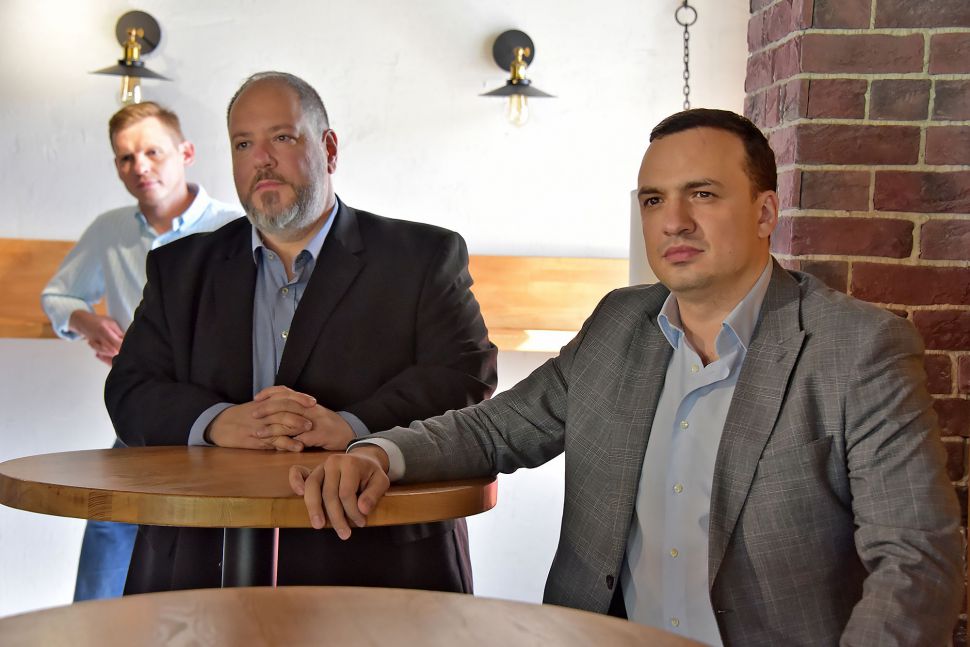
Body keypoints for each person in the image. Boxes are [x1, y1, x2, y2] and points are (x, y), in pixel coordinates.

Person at [291, 109, 962, 646]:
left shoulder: (857, 348)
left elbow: (916, 561)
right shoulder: (620, 322)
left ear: (765, 212)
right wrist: (380, 453)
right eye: (653, 199)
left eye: (703, 194)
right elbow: (498, 428)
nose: (673, 221)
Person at [104, 71, 497, 594]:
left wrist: (353, 427)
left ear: (329, 149)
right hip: (202, 562)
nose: (261, 159)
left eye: (282, 137)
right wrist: (218, 422)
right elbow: (130, 389)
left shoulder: (423, 257)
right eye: (243, 144)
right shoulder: (178, 268)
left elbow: (465, 376)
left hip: (378, 558)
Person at [41, 102, 242, 601]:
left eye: (153, 152)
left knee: (207, 529)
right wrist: (87, 321)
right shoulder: (110, 230)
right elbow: (58, 296)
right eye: (126, 157)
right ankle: (93, 628)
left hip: (225, 408)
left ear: (186, 153)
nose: (141, 166)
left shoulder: (235, 226)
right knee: (109, 518)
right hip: (146, 408)